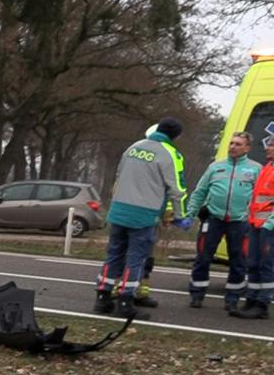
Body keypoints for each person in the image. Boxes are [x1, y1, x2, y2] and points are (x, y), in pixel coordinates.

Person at [94, 118, 189, 318]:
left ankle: (102, 298)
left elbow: (119, 176)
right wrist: (181, 216)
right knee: (136, 259)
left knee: (113, 255)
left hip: (119, 210)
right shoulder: (170, 154)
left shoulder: (133, 147)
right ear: (177, 136)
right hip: (143, 214)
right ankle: (125, 302)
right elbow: (177, 189)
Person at [186, 131, 261, 309]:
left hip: (240, 221)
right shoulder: (215, 167)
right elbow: (200, 192)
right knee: (203, 257)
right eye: (231, 143)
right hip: (213, 218)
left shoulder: (255, 169)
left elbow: (260, 195)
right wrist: (190, 214)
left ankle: (232, 299)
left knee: (238, 261)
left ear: (247, 148)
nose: (233, 147)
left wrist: (254, 219)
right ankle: (197, 294)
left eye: (238, 144)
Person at [241, 141, 274, 319]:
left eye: (272, 145)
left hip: (269, 228)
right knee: (253, 263)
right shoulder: (267, 168)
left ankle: (263, 304)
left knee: (266, 266)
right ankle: (251, 300)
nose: (267, 148)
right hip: (255, 224)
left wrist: (269, 225)